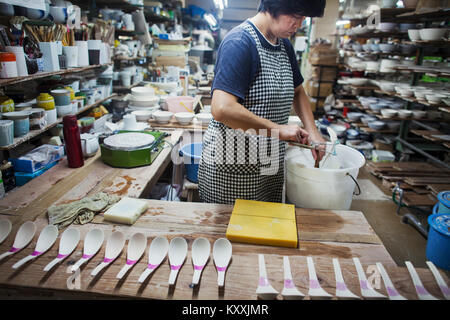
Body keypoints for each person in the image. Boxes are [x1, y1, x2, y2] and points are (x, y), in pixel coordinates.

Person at [198, 0, 327, 205]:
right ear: (273, 6)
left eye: (303, 18)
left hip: (267, 165)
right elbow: (222, 108)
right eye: (295, 16)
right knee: (233, 233)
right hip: (233, 168)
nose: (299, 24)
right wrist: (278, 129)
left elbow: (298, 90)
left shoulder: (283, 43)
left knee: (264, 227)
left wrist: (312, 130)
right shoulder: (240, 42)